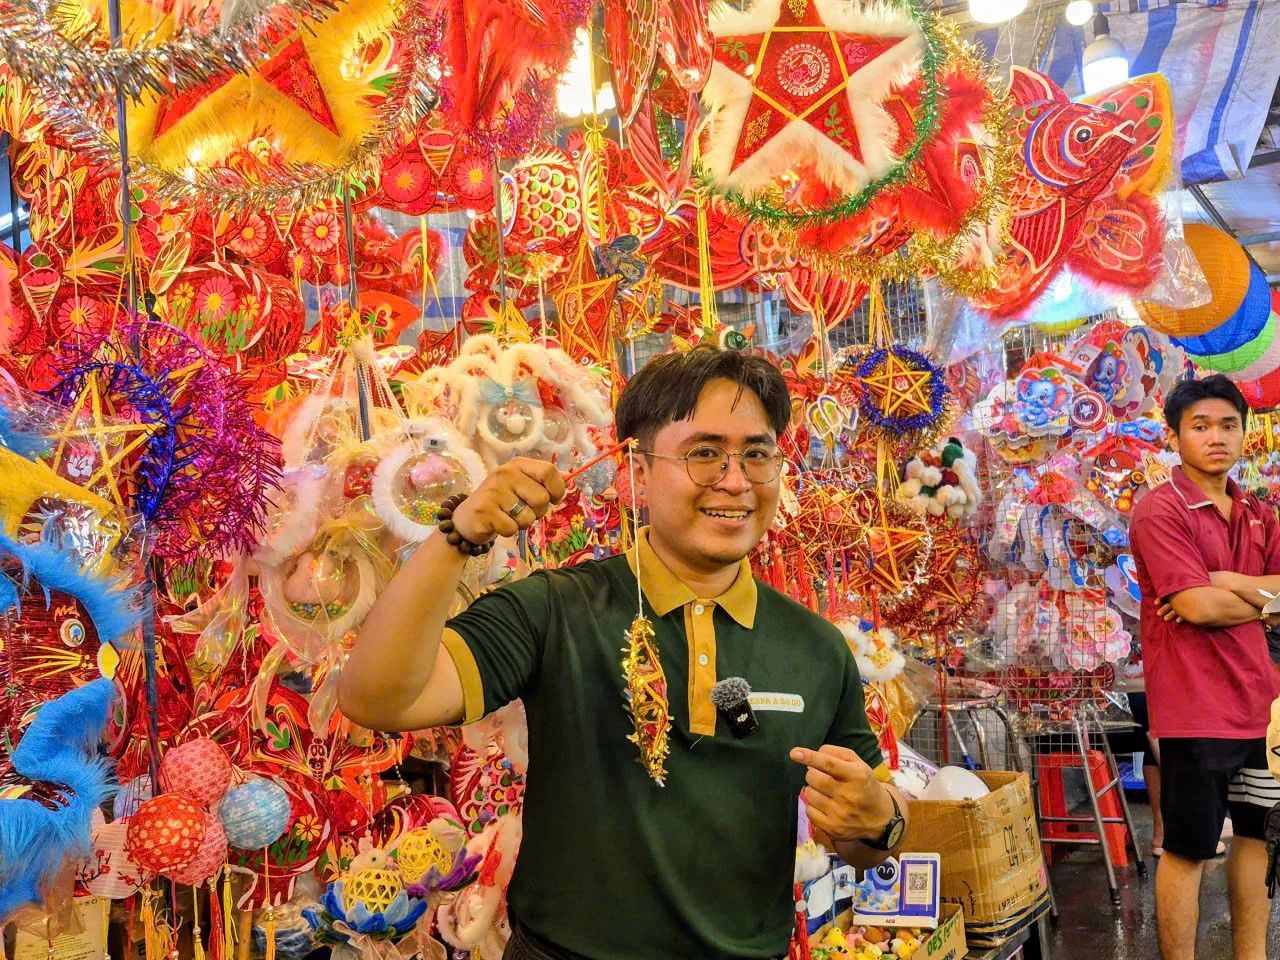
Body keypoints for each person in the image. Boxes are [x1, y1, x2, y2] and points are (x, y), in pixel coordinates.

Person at [339, 345, 908, 960]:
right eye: (705, 453)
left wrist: (881, 819)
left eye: (757, 454)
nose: (737, 480)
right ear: (636, 472)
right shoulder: (553, 610)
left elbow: (868, 834)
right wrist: (458, 536)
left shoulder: (815, 646)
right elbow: (378, 697)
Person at [1129, 375, 1280, 960]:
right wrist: (1260, 599)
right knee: (1190, 847)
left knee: (1257, 836)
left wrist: (1232, 585)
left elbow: (1222, 600)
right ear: (1176, 435)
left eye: (1228, 425)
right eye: (1200, 426)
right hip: (1196, 706)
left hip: (1263, 703)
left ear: (1244, 432)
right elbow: (1193, 606)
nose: (1216, 437)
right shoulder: (1159, 510)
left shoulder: (1259, 513)